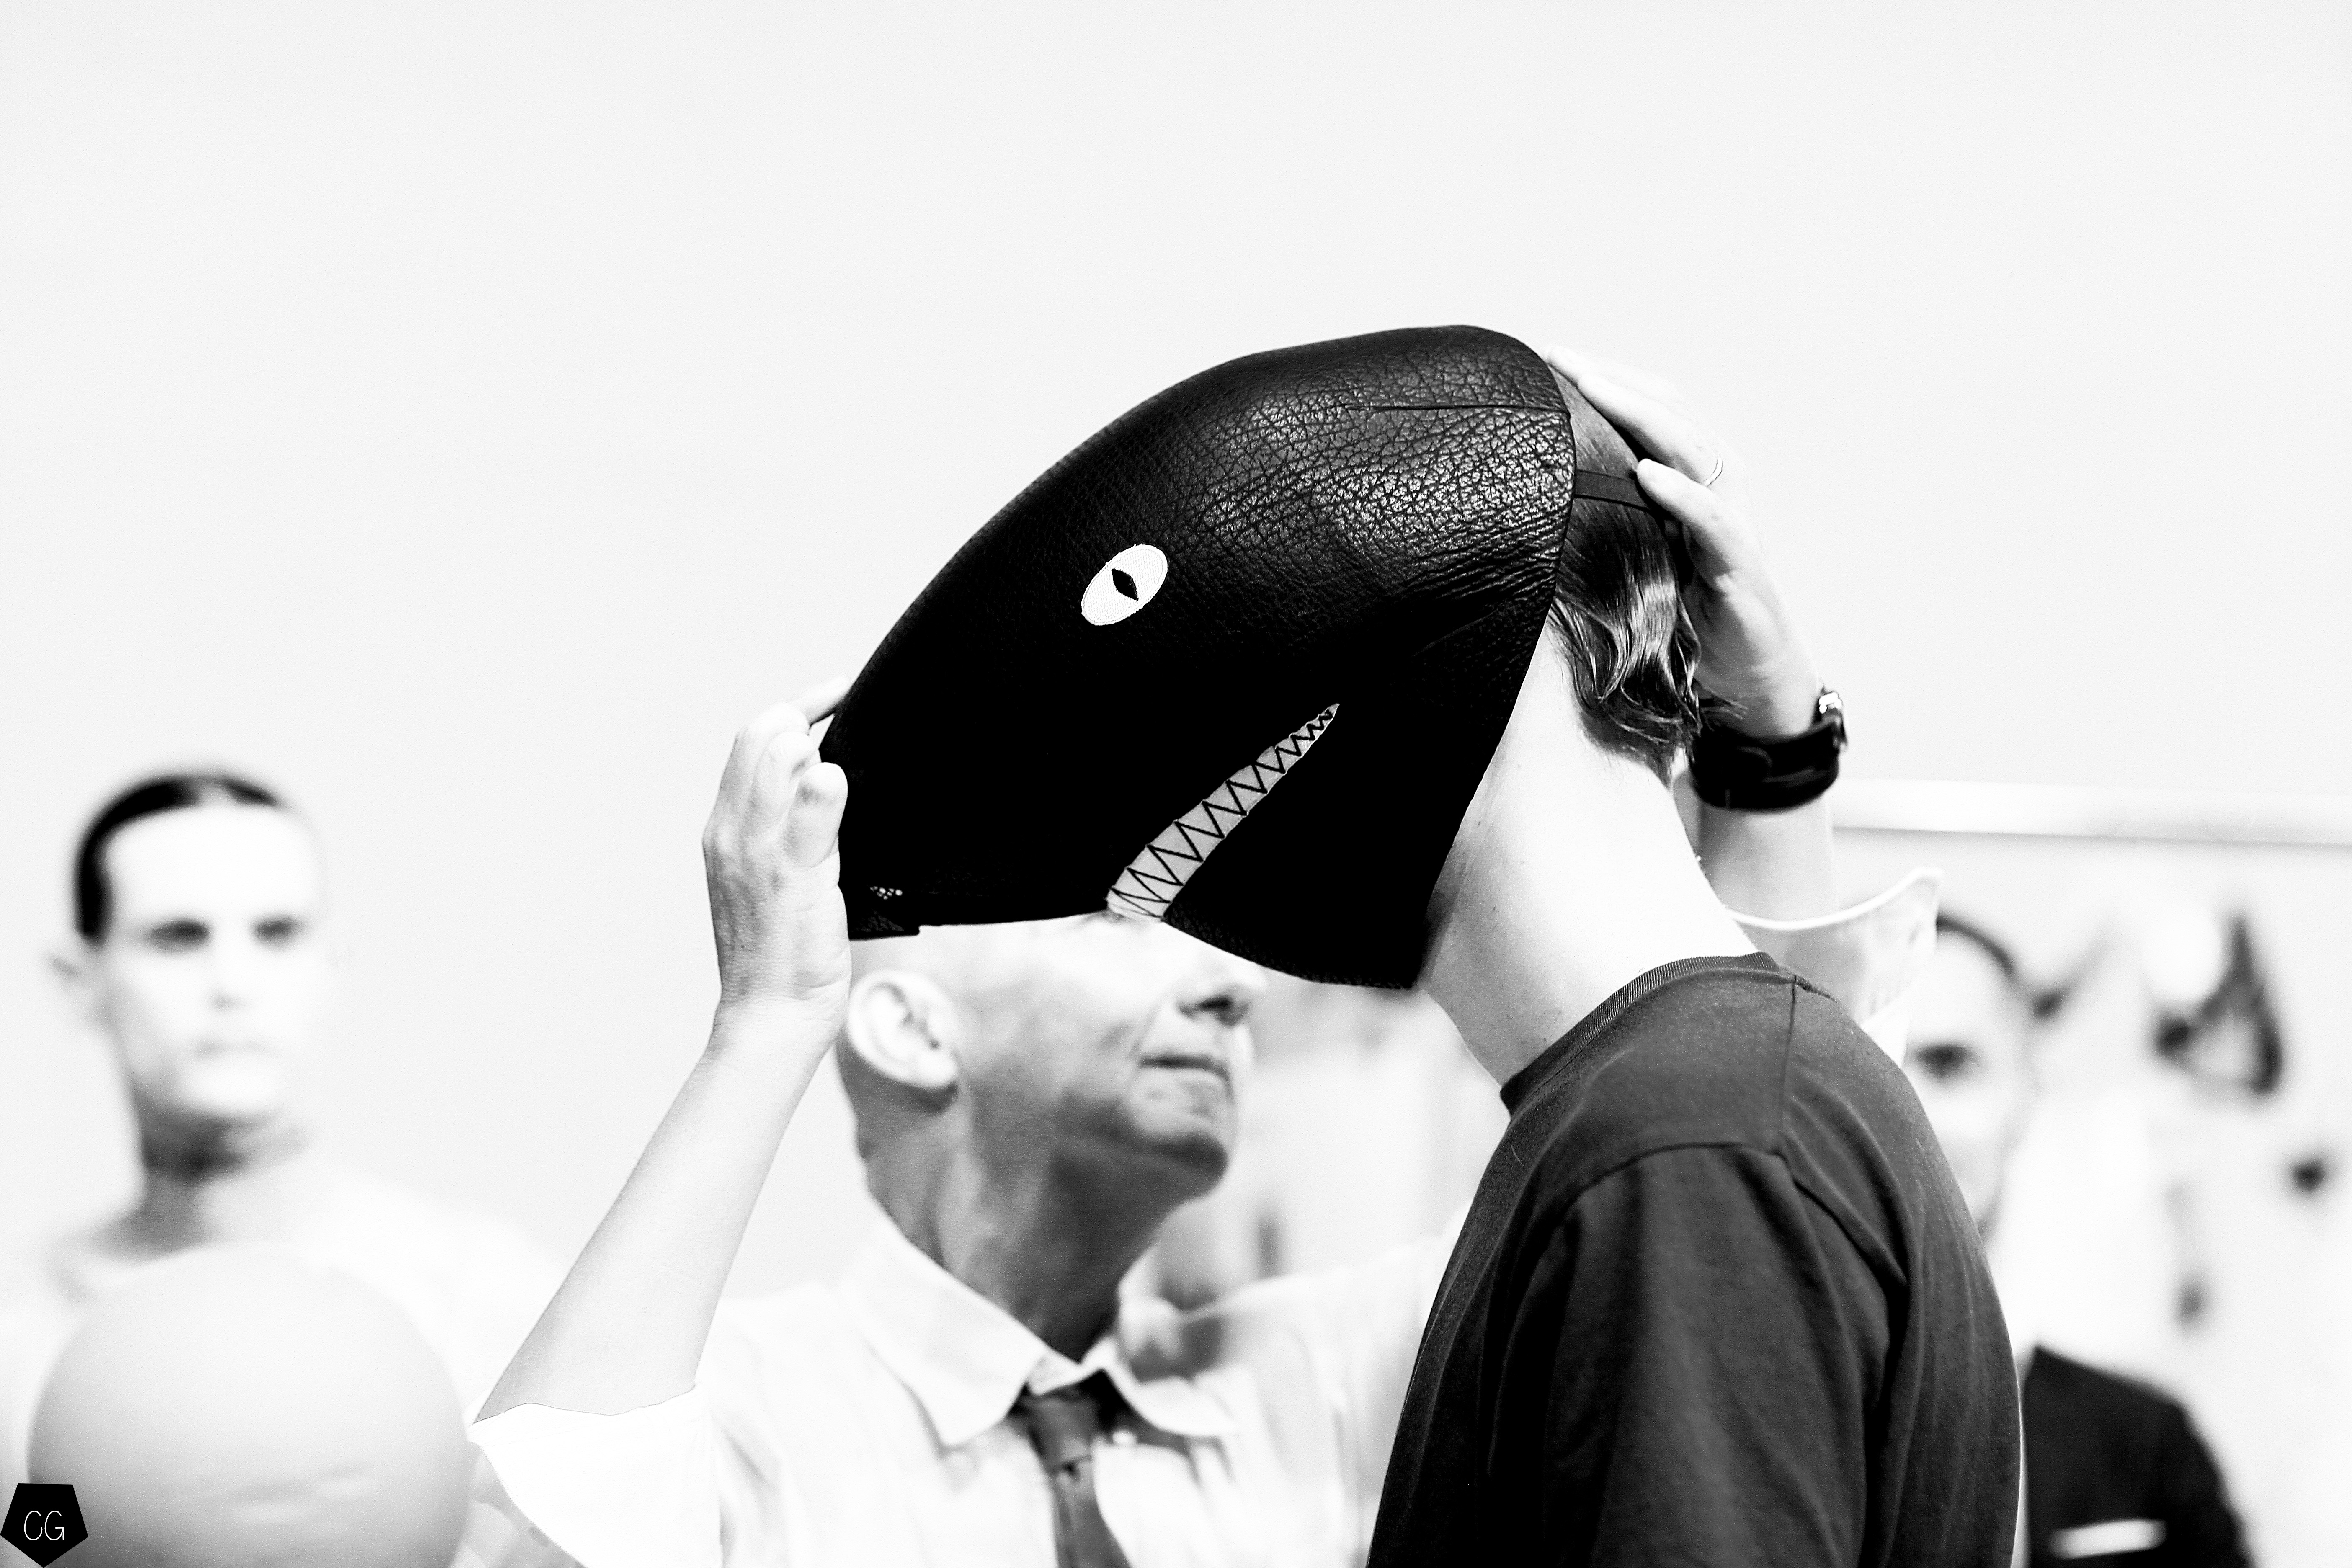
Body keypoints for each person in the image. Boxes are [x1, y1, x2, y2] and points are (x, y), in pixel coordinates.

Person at [460, 339, 1960, 1568]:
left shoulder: (1330, 1377)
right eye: (1130, 922)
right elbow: (535, 1538)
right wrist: (766, 1017)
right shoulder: (755, 1412)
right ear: (906, 1024)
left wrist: (1770, 761)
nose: (1228, 980)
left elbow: (1753, 1176)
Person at [0, 773, 562, 1494]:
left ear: (331, 967)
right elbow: (39, 1542)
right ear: (78, 980)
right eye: (177, 938)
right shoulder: (19, 1333)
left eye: (277, 934)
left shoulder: (489, 1304)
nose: (232, 983)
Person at [1906, 912, 2252, 1568]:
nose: (1904, 1111)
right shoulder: (1736, 1425)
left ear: (2030, 1091)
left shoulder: (2147, 1446)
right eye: (1864, 1065)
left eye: (1949, 1065)